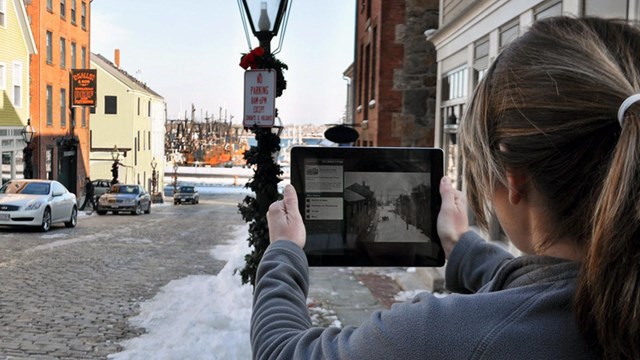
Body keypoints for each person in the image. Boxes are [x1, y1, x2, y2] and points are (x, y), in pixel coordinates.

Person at [251, 16, 640, 360]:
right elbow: (547, 291)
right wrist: (462, 246)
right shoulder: (617, 293)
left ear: (514, 180)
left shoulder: (434, 336)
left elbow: (281, 351)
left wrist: (283, 252)